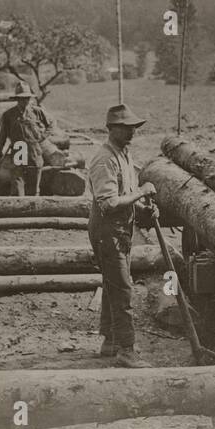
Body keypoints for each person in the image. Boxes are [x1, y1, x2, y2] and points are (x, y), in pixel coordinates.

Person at [86, 103, 156, 369]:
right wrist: (141, 192)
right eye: (125, 128)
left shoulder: (125, 155)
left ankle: (111, 341)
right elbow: (108, 203)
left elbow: (127, 197)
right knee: (123, 288)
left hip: (120, 230)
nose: (131, 133)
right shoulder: (104, 159)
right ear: (110, 129)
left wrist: (145, 208)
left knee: (113, 284)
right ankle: (127, 350)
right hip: (107, 232)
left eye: (133, 128)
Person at [0, 80, 54, 196]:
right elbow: (1, 138)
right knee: (17, 188)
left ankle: (33, 212)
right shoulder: (8, 115)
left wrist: (42, 137)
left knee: (33, 189)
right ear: (17, 99)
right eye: (22, 98)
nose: (25, 101)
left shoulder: (37, 112)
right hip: (18, 151)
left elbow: (51, 124)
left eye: (27, 98)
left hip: (34, 152)